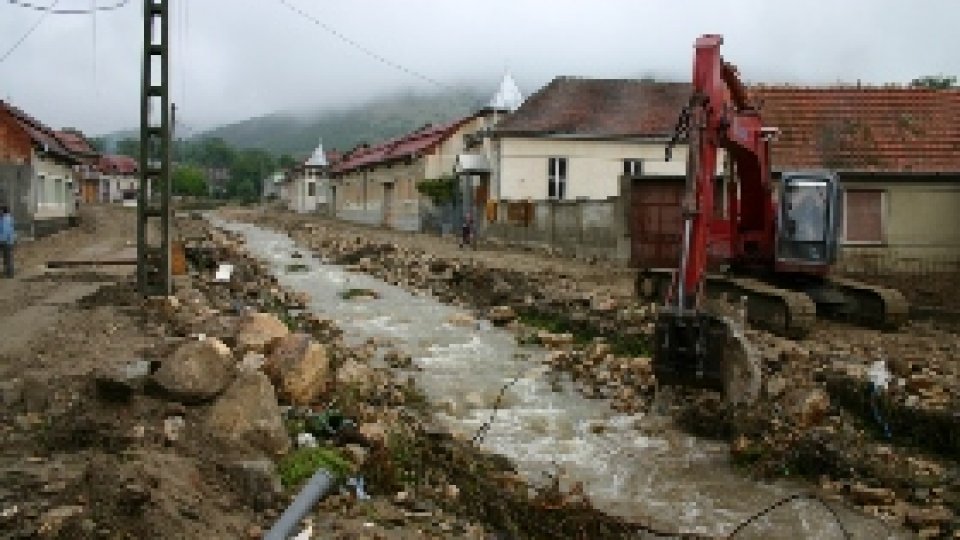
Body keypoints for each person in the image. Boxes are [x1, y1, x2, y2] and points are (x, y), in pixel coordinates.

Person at [0, 206, 13, 278]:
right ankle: (8, 273)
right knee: (8, 258)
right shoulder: (9, 219)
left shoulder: (4, 219)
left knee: (7, 258)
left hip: (5, 241)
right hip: (8, 241)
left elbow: (5, 231)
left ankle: (8, 273)